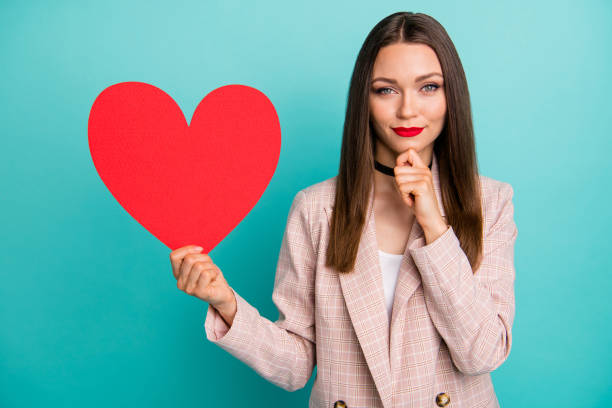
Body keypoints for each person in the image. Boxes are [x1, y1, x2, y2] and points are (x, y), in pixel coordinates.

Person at [169, 11, 517, 408]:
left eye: (429, 87)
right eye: (386, 90)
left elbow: (484, 353)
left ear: (451, 94)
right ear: (363, 100)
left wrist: (434, 224)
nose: (408, 110)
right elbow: (296, 366)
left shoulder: (490, 202)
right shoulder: (316, 209)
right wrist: (226, 303)